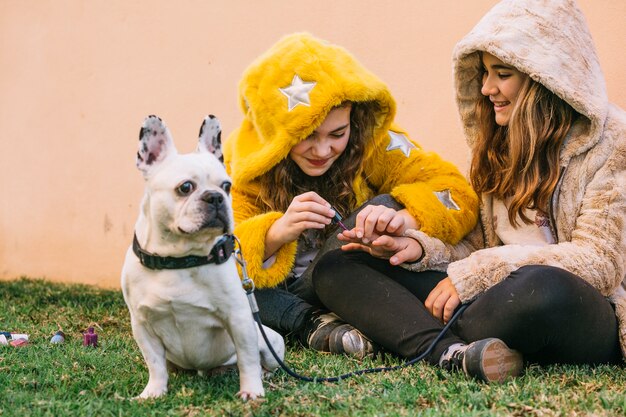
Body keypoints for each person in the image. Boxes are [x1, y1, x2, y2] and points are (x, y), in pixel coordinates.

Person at [313, 0, 626, 383]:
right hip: (490, 299)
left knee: (541, 286)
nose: (486, 88)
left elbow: (600, 262)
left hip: (576, 307)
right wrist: (418, 250)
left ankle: (400, 327)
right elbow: (475, 246)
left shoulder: (613, 142)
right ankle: (454, 353)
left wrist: (474, 274)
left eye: (502, 73)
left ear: (546, 77)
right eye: (484, 73)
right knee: (340, 264)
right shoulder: (498, 144)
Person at [223, 33, 479, 357]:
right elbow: (222, 254)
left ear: (352, 121)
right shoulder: (248, 161)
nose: (322, 150)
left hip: (348, 278)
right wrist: (276, 232)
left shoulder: (374, 142)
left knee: (381, 205)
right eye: (306, 136)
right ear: (278, 130)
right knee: (218, 285)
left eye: (337, 133)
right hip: (280, 290)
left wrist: (403, 217)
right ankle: (310, 322)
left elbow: (455, 192)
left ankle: (316, 322)